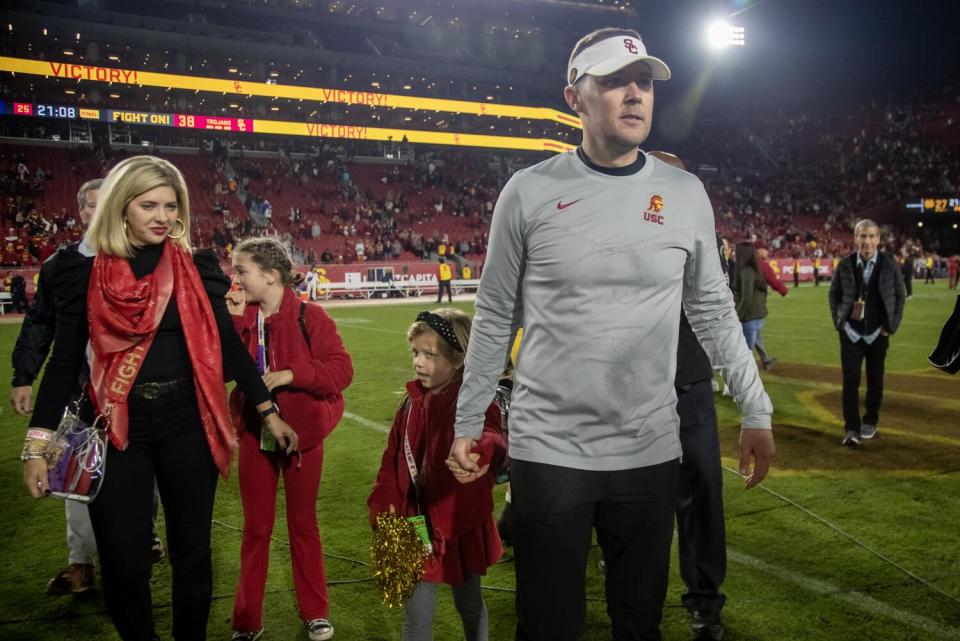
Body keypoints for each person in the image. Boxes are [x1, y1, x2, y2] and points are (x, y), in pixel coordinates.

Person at [448, 28, 775, 641]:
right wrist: (469, 422)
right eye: (615, 81)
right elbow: (494, 315)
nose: (634, 94)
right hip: (550, 453)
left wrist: (755, 406)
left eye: (644, 82)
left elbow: (711, 308)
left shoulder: (684, 194)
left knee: (639, 623)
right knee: (548, 626)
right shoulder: (527, 192)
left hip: (649, 451)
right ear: (575, 97)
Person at [21, 155, 299, 641]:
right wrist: (37, 444)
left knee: (192, 556)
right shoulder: (77, 272)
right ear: (120, 206)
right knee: (124, 564)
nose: (163, 216)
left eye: (171, 206)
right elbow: (64, 362)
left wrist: (267, 409)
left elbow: (229, 348)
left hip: (187, 424)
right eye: (148, 204)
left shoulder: (196, 267)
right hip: (114, 430)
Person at [226, 237, 353, 641]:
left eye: (242, 270)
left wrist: (292, 374)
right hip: (254, 434)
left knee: (303, 524)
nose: (236, 278)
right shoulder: (240, 314)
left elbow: (341, 370)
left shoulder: (310, 316)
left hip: (304, 438)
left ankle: (315, 612)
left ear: (270, 275)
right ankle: (247, 621)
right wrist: (235, 324)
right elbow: (222, 373)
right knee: (256, 528)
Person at [368, 309, 506, 641]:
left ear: (459, 359)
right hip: (412, 523)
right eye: (415, 352)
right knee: (416, 618)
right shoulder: (409, 402)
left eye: (429, 355)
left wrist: (480, 452)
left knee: (469, 603)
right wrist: (384, 499)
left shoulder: (472, 402)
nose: (418, 362)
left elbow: (494, 437)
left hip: (459, 524)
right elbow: (391, 459)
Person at [648, 151, 728, 641]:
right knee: (632, 499)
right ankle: (635, 600)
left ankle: (705, 604)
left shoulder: (701, 236)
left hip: (688, 385)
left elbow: (715, 307)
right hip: (628, 387)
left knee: (700, 494)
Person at [11, 179, 102, 595]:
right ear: (81, 212)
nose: (99, 213)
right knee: (73, 476)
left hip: (132, 392)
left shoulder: (143, 261)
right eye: (92, 206)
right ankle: (80, 563)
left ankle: (144, 536)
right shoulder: (60, 265)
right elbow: (40, 323)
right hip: (79, 391)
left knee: (139, 476)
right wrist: (24, 376)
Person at [829, 219, 905, 447]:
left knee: (875, 380)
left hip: (877, 334)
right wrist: (840, 323)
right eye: (863, 236)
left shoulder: (890, 264)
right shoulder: (844, 264)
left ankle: (870, 420)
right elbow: (834, 295)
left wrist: (889, 327)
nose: (867, 241)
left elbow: (900, 297)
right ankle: (851, 428)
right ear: (855, 239)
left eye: (872, 236)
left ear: (879, 239)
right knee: (850, 382)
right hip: (851, 333)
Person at [754, 242, 789, 370]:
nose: (767, 253)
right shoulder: (762, 265)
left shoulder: (743, 264)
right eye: (765, 250)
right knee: (752, 334)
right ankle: (743, 364)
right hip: (755, 306)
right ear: (759, 251)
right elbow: (774, 281)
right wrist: (784, 291)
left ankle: (765, 359)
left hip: (739, 304)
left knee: (755, 334)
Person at [733, 242, 768, 353]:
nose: (734, 254)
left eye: (736, 252)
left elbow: (746, 298)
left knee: (746, 354)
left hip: (749, 317)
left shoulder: (746, 271)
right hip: (757, 315)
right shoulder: (755, 268)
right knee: (749, 350)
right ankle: (765, 360)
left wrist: (736, 316)